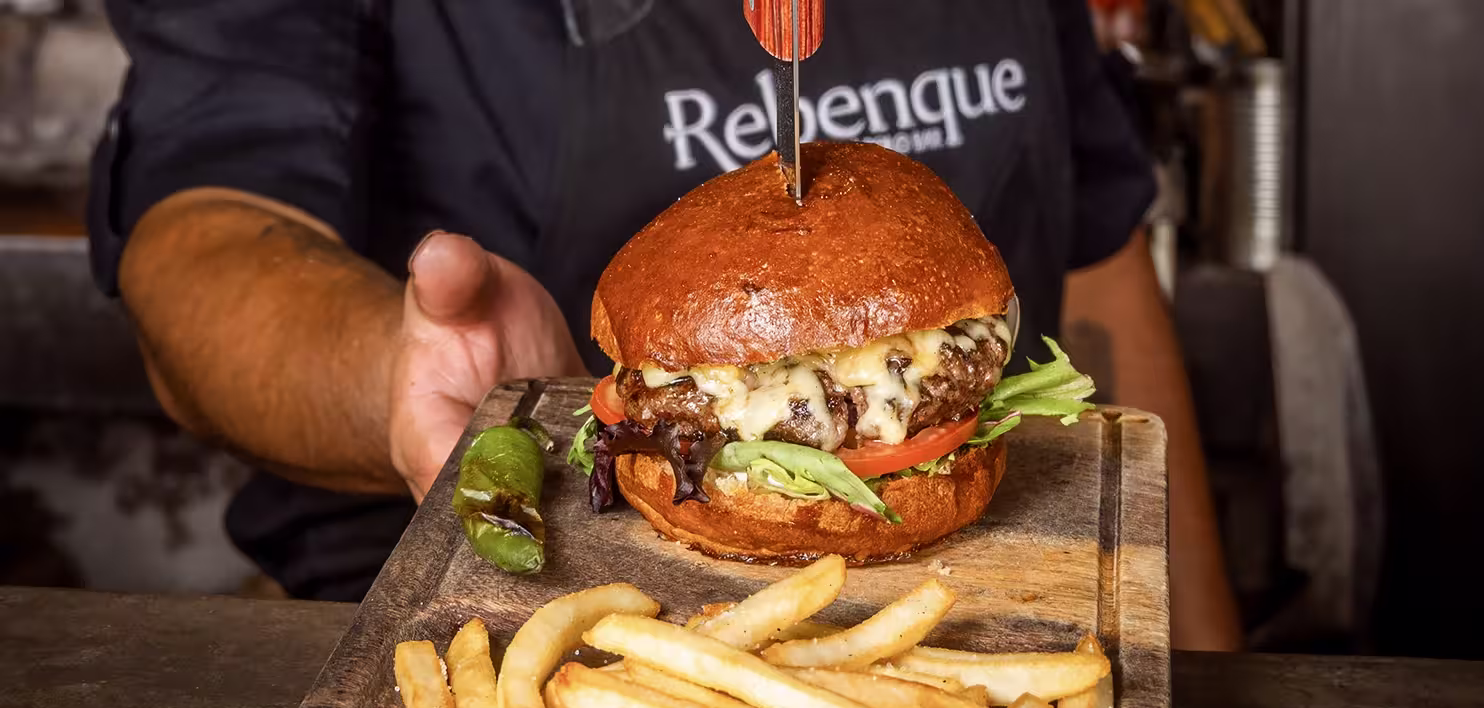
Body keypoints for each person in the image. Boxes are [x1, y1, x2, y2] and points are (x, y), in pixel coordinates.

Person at [88, 0, 1241, 650]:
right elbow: (203, 236)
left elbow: (1103, 271)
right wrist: (395, 364)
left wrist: (1208, 681)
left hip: (1018, 635)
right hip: (516, 642)